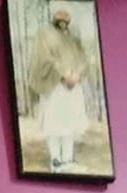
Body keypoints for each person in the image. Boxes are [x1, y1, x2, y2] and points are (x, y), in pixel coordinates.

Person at [28, 7, 90, 172]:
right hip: (54, 85)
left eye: (66, 15)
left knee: (69, 124)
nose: (63, 17)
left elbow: (82, 58)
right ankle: (55, 161)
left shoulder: (73, 38)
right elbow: (42, 57)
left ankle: (67, 160)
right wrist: (62, 74)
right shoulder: (44, 35)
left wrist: (77, 74)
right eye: (59, 14)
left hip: (73, 86)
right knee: (54, 123)